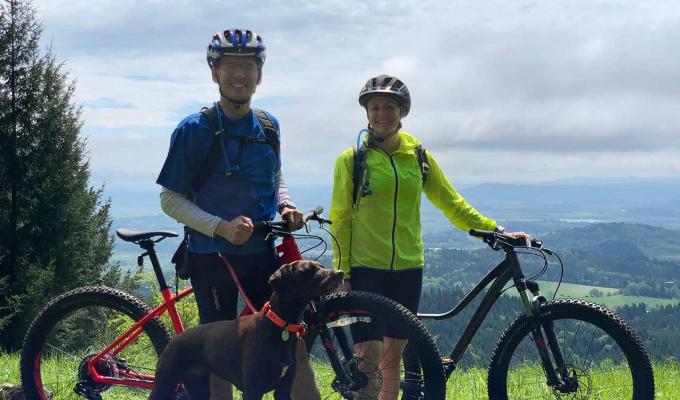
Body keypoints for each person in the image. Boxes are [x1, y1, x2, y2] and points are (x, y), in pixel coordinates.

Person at [329, 74, 531, 400]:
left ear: (402, 111)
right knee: (368, 359)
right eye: (375, 107)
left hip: (408, 269)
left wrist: (496, 230)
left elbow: (452, 203)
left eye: (389, 107)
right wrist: (344, 274)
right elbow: (340, 219)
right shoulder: (352, 160)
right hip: (367, 269)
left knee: (392, 356)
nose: (381, 114)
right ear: (366, 113)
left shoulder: (418, 156)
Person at [156, 28, 316, 399]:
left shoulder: (268, 126)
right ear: (215, 73)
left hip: (263, 257)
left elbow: (275, 177)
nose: (239, 75)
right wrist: (220, 228)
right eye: (230, 66)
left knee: (290, 346)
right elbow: (170, 199)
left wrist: (286, 205)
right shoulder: (194, 130)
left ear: (259, 74)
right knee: (219, 359)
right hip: (212, 258)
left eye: (248, 66)